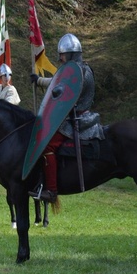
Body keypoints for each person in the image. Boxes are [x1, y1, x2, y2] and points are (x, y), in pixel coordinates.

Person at [29, 33, 101, 203]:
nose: (60, 58)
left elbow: (59, 87)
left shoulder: (79, 72)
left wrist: (51, 90)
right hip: (75, 116)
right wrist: (39, 80)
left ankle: (52, 191)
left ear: (71, 54)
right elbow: (57, 81)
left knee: (47, 146)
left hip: (78, 120)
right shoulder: (81, 69)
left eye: (62, 54)